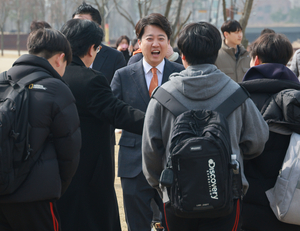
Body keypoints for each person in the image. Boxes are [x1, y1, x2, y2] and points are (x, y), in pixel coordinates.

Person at [142, 22, 269, 231]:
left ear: (182, 56)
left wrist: (164, 185)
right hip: (227, 195)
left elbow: (150, 154)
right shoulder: (236, 94)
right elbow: (258, 140)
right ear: (216, 54)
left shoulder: (162, 97)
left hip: (176, 197)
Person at [57, 19, 145, 231]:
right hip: (89, 177)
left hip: (56, 173)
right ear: (91, 49)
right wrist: (160, 121)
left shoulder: (53, 76)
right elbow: (119, 113)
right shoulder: (90, 80)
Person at [0, 28, 81, 231]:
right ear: (60, 58)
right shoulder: (57, 88)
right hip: (37, 197)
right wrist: (55, 188)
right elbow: (70, 151)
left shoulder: (2, 80)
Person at [111, 13, 184, 231]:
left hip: (172, 163)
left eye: (161, 38)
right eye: (149, 38)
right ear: (139, 42)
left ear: (168, 43)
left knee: (174, 222)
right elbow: (113, 113)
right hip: (133, 163)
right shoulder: (122, 75)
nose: (155, 44)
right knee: (136, 224)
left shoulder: (180, 75)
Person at [240, 33, 300, 231]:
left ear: (255, 60)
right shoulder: (297, 100)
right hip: (293, 204)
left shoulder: (239, 101)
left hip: (249, 206)